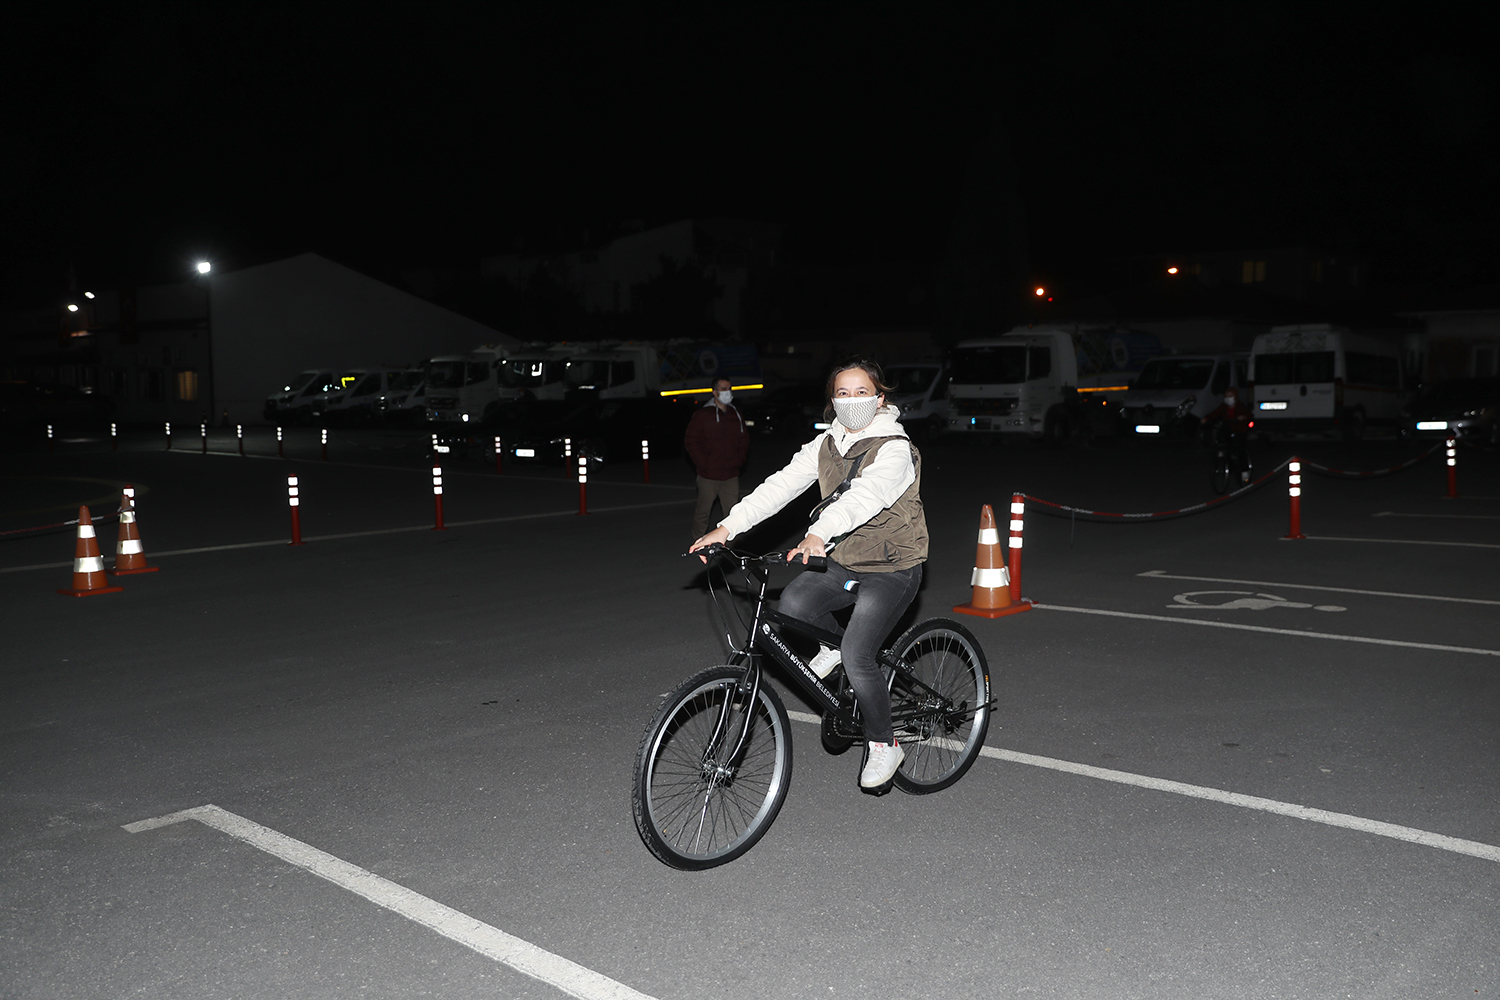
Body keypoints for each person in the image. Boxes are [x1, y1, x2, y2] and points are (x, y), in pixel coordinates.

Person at [689, 358, 927, 791]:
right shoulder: (826, 444)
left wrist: (818, 533)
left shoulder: (895, 449)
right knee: (794, 603)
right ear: (831, 401)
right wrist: (728, 527)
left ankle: (884, 742)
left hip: (892, 568)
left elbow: (864, 497)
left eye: (861, 393)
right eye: (842, 394)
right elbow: (780, 486)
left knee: (858, 654)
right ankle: (829, 646)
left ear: (879, 398)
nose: (851, 401)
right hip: (843, 561)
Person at [684, 377, 749, 541]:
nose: (727, 392)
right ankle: (698, 545)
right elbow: (691, 441)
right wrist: (704, 463)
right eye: (723, 389)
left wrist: (739, 460)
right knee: (703, 512)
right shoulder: (703, 415)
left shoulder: (736, 414)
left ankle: (729, 549)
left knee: (732, 515)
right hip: (708, 475)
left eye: (729, 388)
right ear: (715, 392)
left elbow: (744, 440)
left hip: (731, 475)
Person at [1202, 386, 1252, 482]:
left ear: (1235, 397)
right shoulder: (1223, 407)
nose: (1228, 398)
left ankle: (1244, 471)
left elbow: (1249, 415)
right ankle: (1223, 455)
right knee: (1222, 436)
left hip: (1239, 429)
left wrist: (1243, 417)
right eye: (1226, 396)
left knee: (1239, 448)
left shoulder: (1241, 406)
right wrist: (1206, 418)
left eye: (1230, 396)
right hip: (1228, 428)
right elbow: (1215, 413)